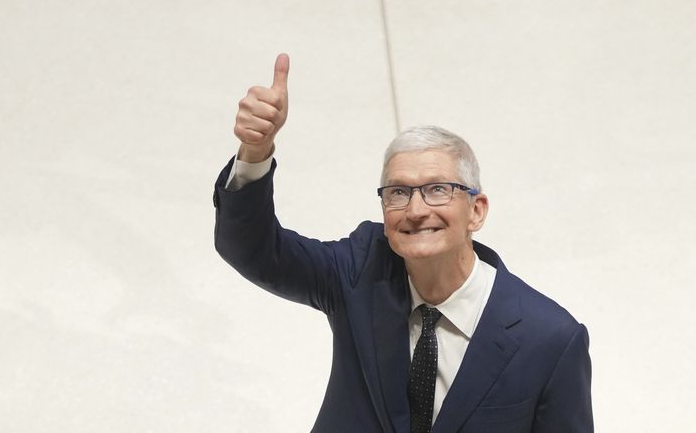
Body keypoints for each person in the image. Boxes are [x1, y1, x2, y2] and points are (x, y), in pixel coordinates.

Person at [213, 54, 593, 432]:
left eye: (438, 189)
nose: (415, 210)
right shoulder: (360, 270)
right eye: (398, 192)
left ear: (476, 211)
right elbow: (254, 250)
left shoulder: (549, 339)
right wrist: (255, 153)